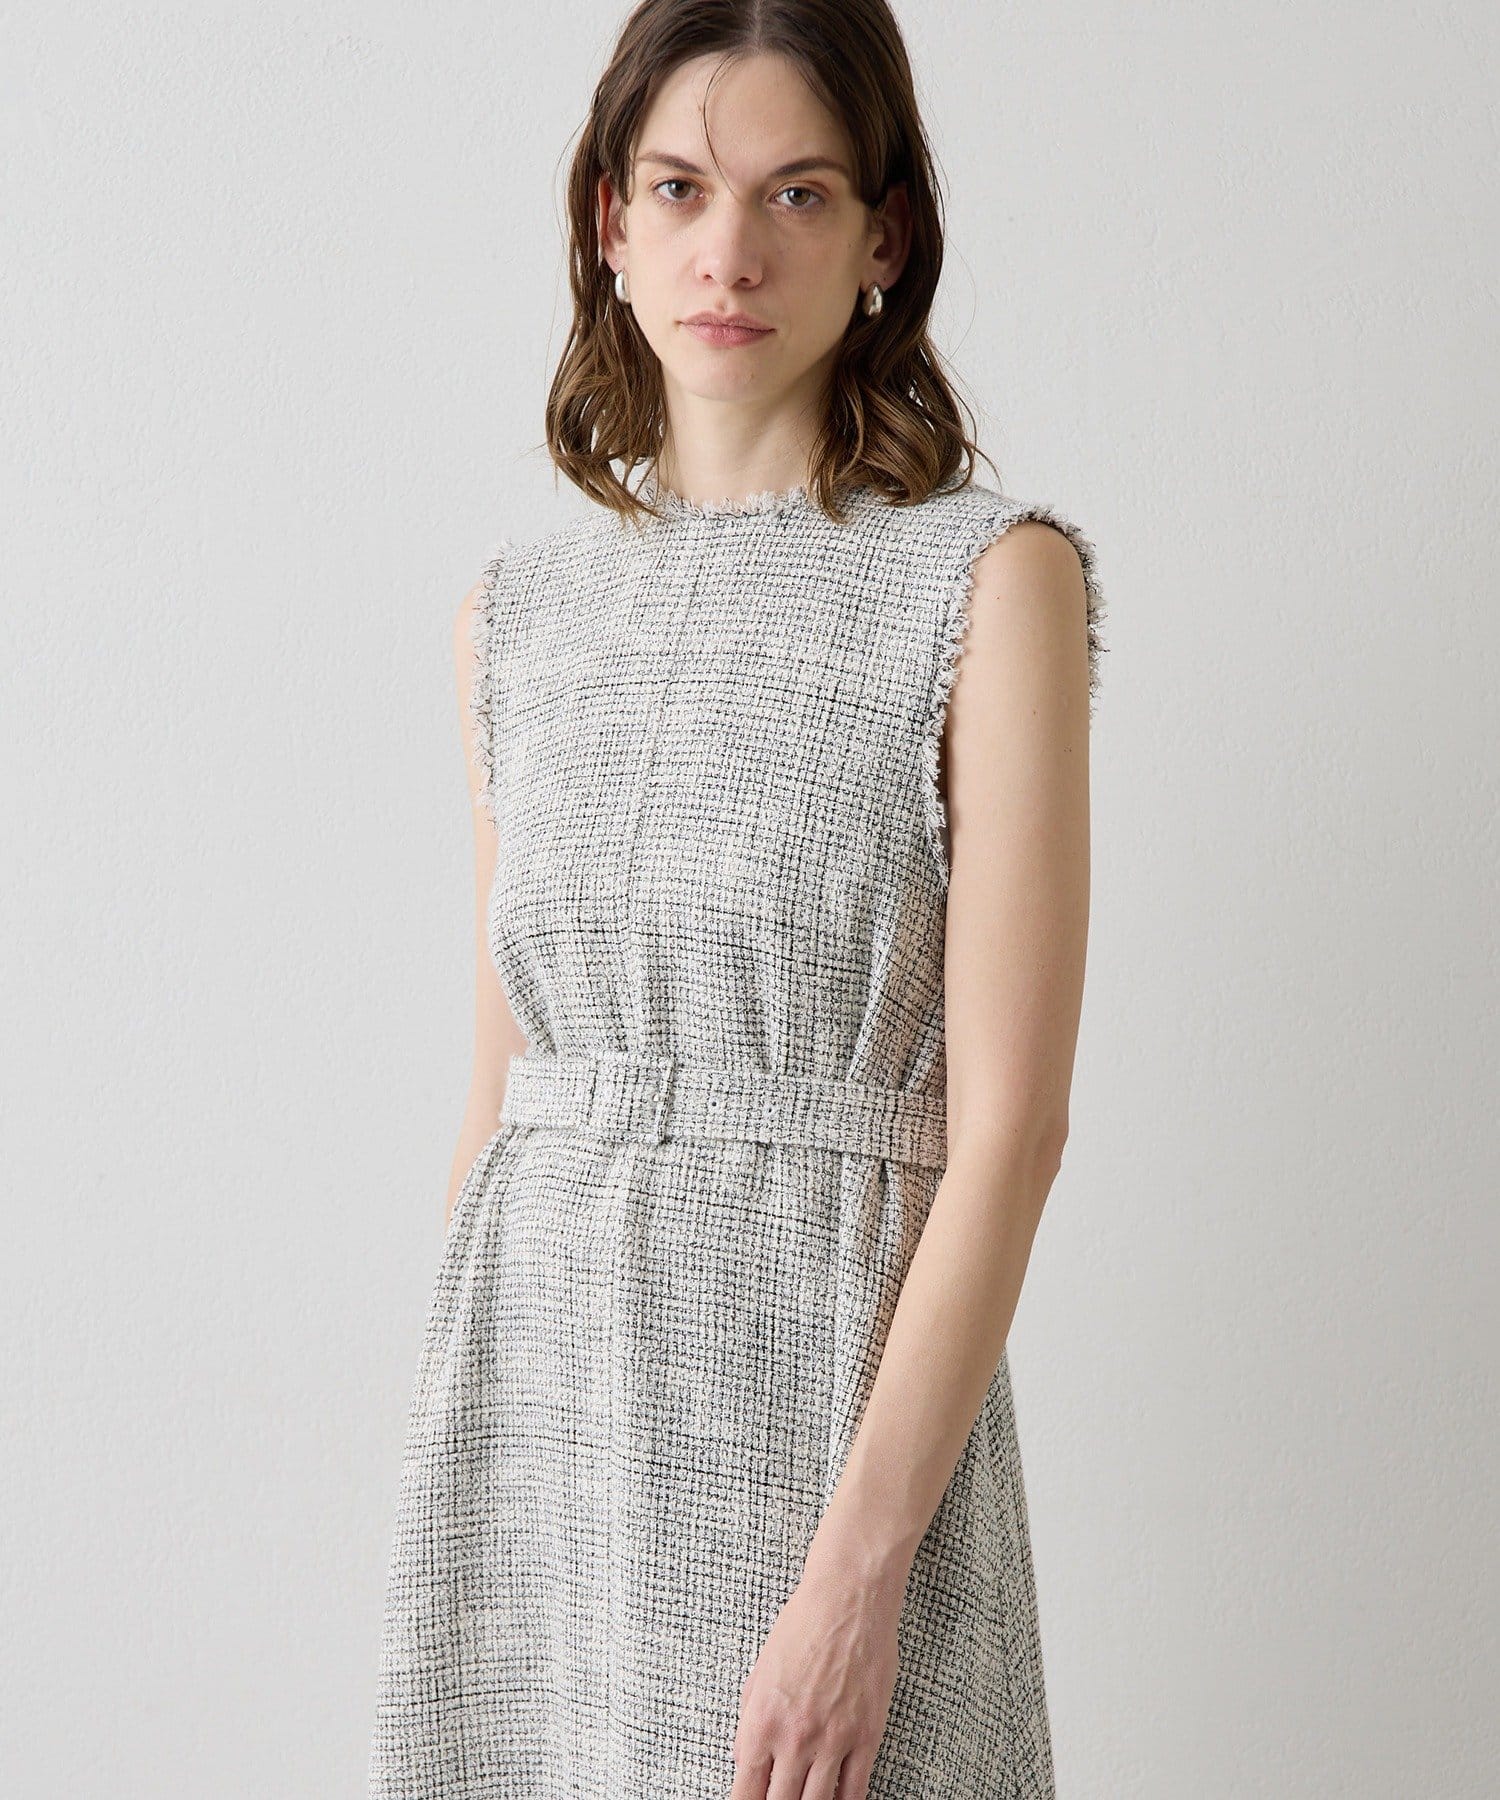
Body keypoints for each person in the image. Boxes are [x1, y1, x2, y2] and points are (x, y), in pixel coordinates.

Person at [368, 3, 1105, 1796]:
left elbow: (1008, 1135)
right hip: (534, 1422)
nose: (730, 252)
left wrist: (858, 1579)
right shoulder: (513, 621)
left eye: (798, 192)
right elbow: (503, 1094)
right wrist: (451, 1453)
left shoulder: (985, 584)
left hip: (821, 1414)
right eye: (681, 189)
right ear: (610, 223)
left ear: (884, 238)